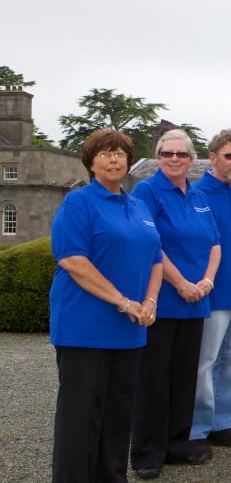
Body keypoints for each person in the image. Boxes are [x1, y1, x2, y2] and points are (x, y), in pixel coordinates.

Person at [49, 129, 161, 483]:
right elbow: (73, 261)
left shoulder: (139, 206)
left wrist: (150, 301)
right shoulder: (78, 203)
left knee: (117, 416)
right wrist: (124, 301)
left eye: (120, 154)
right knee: (80, 418)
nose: (114, 159)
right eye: (105, 153)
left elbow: (156, 258)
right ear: (91, 162)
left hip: (129, 331)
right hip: (85, 328)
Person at [130, 130, 220, 479]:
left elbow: (215, 243)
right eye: (167, 154)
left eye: (182, 154)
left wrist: (206, 282)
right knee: (154, 378)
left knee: (185, 376)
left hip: (196, 300)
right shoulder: (146, 192)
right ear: (157, 157)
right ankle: (148, 451)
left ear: (190, 159)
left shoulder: (197, 195)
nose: (175, 159)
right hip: (163, 301)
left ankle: (177, 442)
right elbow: (151, 244)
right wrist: (181, 283)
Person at [190, 129, 231, 448]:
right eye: (229, 155)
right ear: (213, 156)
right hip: (214, 292)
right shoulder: (197, 193)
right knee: (207, 362)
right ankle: (198, 427)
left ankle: (222, 421)